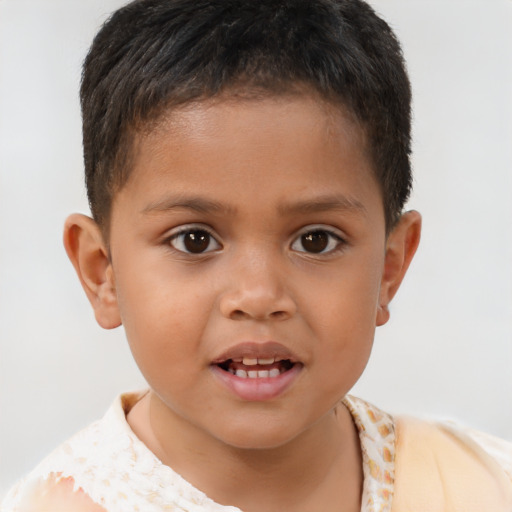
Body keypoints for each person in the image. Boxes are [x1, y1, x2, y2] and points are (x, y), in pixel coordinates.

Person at [2, 0, 511, 511]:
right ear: (101, 273)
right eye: (194, 240)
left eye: (316, 240)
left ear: (390, 266)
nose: (259, 296)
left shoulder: (485, 486)